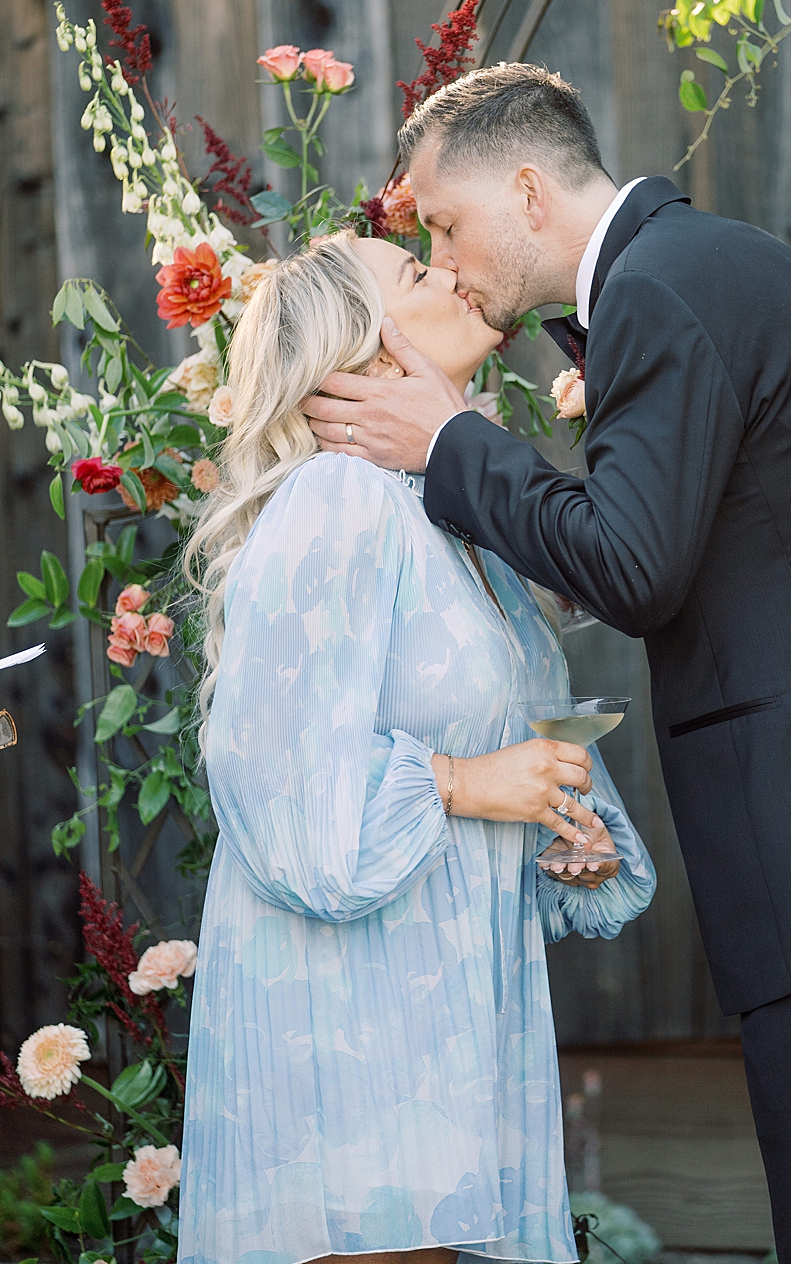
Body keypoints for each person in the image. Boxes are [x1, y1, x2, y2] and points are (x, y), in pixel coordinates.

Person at [303, 64, 791, 1264]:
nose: (442, 254)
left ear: (528, 190)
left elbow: (634, 569)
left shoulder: (652, 296)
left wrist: (455, 441)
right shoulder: (752, 260)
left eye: (442, 222)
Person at [178, 229, 656, 1264]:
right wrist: (461, 781)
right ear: (368, 352)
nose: (448, 272)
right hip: (348, 1007)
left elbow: (502, 740)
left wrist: (561, 825)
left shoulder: (440, 514)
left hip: (444, 1001)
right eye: (414, 273)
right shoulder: (334, 501)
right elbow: (274, 785)